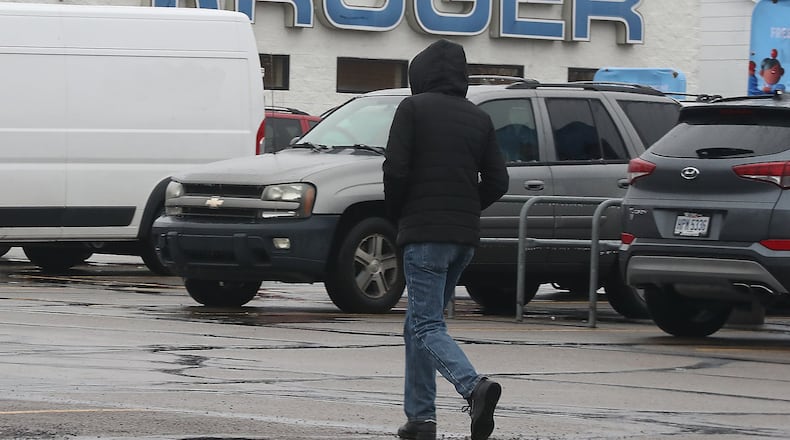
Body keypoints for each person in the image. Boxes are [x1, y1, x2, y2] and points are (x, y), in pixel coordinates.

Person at [382, 39, 509, 440]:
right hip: (463, 239)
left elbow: (395, 170)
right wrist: (467, 207)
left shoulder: (412, 109)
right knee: (417, 323)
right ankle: (421, 419)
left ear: (418, 75)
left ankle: (473, 386)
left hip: (424, 235)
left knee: (425, 325)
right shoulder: (478, 118)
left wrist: (399, 213)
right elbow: (498, 181)